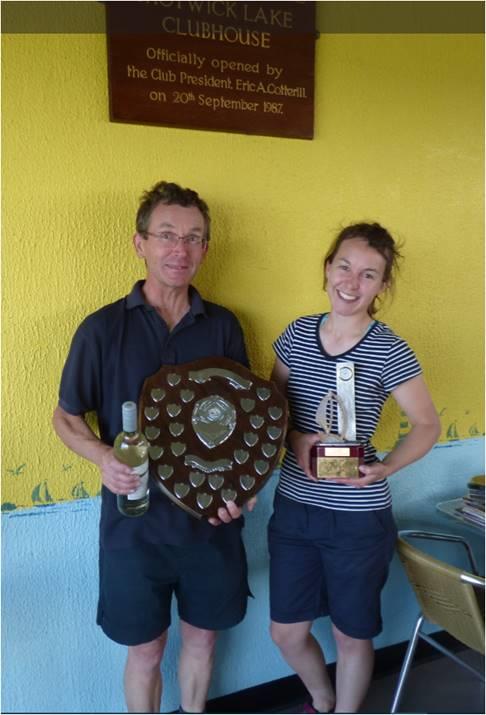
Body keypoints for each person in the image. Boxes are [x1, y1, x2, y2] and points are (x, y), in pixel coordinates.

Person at [52, 181, 255, 714]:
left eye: (192, 238)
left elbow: (244, 423)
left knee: (204, 639)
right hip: (133, 525)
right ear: (140, 243)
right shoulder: (101, 330)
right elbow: (65, 416)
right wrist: (102, 459)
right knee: (145, 651)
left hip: (210, 522)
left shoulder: (225, 327)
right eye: (166, 235)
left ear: (206, 249)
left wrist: (245, 488)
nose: (179, 249)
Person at [268, 222, 441, 714]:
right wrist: (296, 436)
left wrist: (387, 467)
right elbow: (268, 409)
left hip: (358, 515)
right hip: (295, 510)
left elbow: (427, 424)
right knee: (286, 632)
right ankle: (323, 699)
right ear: (327, 268)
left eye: (369, 274)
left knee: (351, 635)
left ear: (382, 286)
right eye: (344, 266)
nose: (352, 281)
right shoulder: (297, 334)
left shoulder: (389, 348)